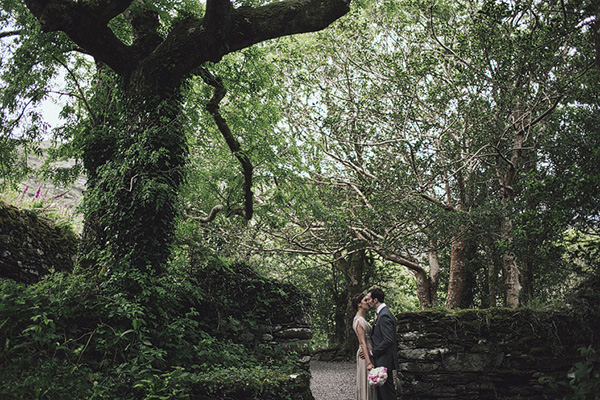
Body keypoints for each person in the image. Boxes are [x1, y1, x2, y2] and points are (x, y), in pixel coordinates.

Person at [366, 288, 399, 400]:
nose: (367, 302)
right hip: (383, 359)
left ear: (375, 300)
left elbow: (388, 340)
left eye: (369, 299)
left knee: (387, 394)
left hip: (385, 360)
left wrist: (373, 352)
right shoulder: (382, 313)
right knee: (383, 393)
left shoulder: (384, 315)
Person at [352, 293, 378, 400]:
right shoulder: (358, 321)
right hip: (365, 356)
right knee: (366, 384)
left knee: (371, 385)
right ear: (359, 304)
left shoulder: (363, 319)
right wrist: (368, 363)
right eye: (365, 300)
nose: (368, 302)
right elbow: (362, 342)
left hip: (369, 352)